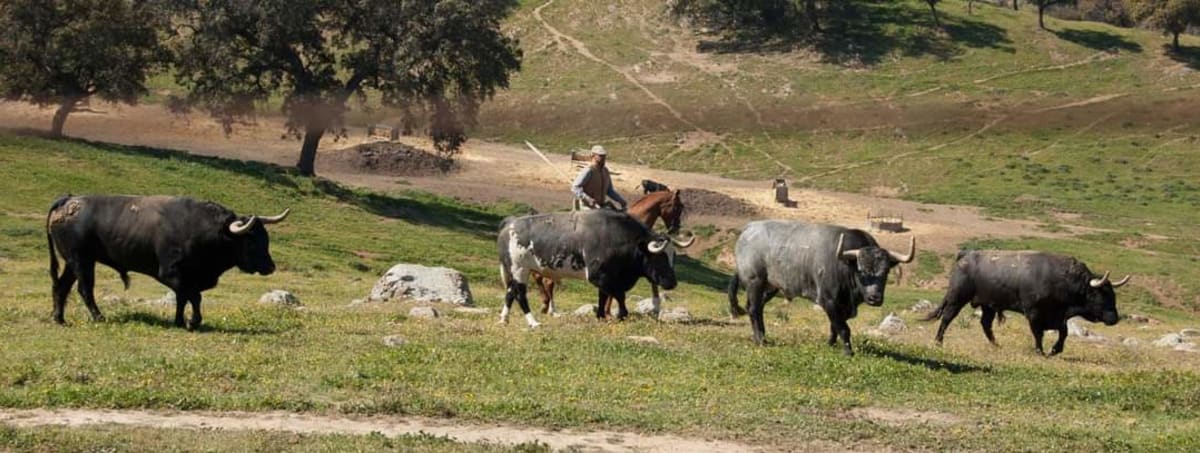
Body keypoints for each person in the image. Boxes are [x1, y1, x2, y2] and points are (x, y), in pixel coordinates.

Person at [571, 145, 626, 211]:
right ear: (593, 156)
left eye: (604, 156)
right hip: (588, 208)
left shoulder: (605, 171)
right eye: (600, 156)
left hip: (601, 206)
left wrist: (621, 200)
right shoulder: (588, 171)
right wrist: (587, 199)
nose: (603, 158)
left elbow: (609, 191)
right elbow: (575, 187)